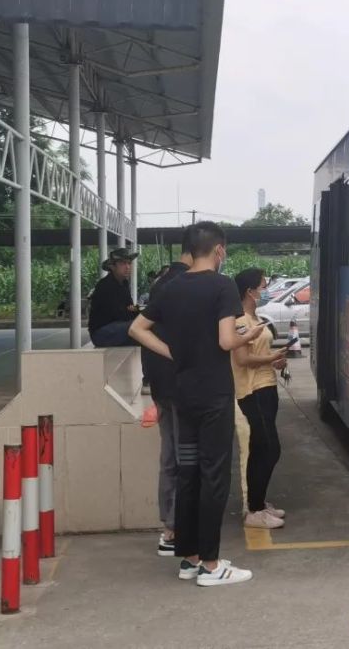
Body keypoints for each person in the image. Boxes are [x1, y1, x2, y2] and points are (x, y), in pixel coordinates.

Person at [129, 221, 261, 587]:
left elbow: (137, 329)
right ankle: (212, 564)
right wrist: (247, 334)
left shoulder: (170, 287)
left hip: (182, 392)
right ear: (219, 251)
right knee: (214, 476)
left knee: (187, 472)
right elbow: (224, 341)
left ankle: (188, 558)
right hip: (213, 395)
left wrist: (171, 351)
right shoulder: (221, 286)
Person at [142, 234, 194, 557]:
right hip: (178, 385)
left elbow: (143, 330)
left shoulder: (163, 282)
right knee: (181, 456)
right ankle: (174, 528)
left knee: (170, 455)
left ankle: (171, 526)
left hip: (162, 385)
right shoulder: (182, 286)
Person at [232, 268, 288, 530]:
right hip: (252, 391)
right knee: (268, 447)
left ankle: (259, 502)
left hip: (267, 386)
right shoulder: (240, 320)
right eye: (263, 286)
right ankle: (253, 509)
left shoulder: (256, 317)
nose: (266, 290)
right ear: (249, 291)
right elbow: (242, 359)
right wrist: (270, 358)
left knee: (264, 446)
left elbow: (261, 352)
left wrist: (276, 361)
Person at [89, 248, 140, 347]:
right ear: (112, 266)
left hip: (118, 327)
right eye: (123, 264)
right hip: (101, 333)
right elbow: (120, 313)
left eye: (129, 263)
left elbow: (130, 308)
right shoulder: (105, 285)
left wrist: (137, 310)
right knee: (139, 326)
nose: (127, 267)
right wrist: (134, 311)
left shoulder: (124, 283)